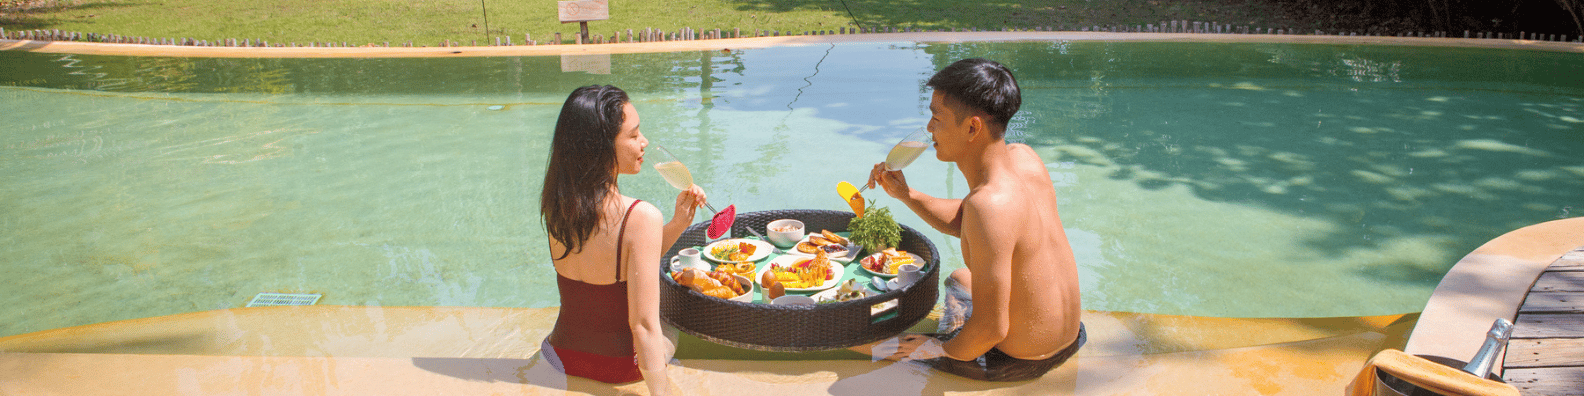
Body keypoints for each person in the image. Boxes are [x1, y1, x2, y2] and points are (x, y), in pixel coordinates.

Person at [856, 58, 1085, 382]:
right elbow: (975, 221)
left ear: (972, 127)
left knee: (865, 341)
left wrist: (935, 348)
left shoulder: (988, 207)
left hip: (1016, 360)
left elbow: (992, 328)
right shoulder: (1023, 158)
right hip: (1069, 337)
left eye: (936, 118)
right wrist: (908, 195)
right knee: (961, 277)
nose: (929, 128)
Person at [539, 85, 705, 395]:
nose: (644, 143)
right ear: (601, 146)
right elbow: (643, 328)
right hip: (620, 368)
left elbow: (616, 263)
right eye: (633, 135)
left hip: (559, 356)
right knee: (672, 313)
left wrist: (679, 223)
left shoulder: (556, 203)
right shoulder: (640, 216)